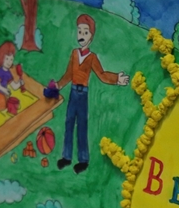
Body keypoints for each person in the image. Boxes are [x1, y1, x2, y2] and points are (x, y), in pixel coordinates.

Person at [47, 15, 129, 174]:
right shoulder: (74, 54)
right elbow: (69, 74)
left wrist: (117, 79)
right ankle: (66, 156)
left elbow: (102, 75)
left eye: (85, 33)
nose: (81, 36)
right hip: (73, 92)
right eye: (79, 32)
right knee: (69, 123)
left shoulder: (92, 58)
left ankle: (83, 160)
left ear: (91, 36)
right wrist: (58, 85)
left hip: (82, 94)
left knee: (82, 126)